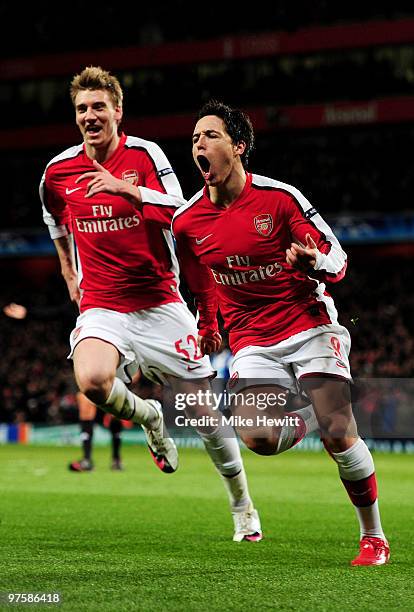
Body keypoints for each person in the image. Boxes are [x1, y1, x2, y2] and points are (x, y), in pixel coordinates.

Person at [39, 66, 262, 541]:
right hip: (102, 304)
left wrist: (130, 191)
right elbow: (53, 214)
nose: (90, 115)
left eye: (99, 106)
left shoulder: (144, 155)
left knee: (204, 416)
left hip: (160, 301)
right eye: (82, 108)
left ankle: (242, 505)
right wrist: (66, 267)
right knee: (93, 381)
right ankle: (151, 417)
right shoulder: (58, 172)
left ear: (117, 111)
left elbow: (183, 216)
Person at [172, 99, 389, 565]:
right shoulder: (186, 223)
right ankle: (310, 416)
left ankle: (373, 536)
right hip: (252, 340)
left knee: (339, 434)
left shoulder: (280, 198)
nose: (199, 144)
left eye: (209, 135)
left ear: (239, 146)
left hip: (309, 325)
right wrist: (208, 326)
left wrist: (315, 261)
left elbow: (339, 259)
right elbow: (201, 282)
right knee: (259, 440)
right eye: (194, 139)